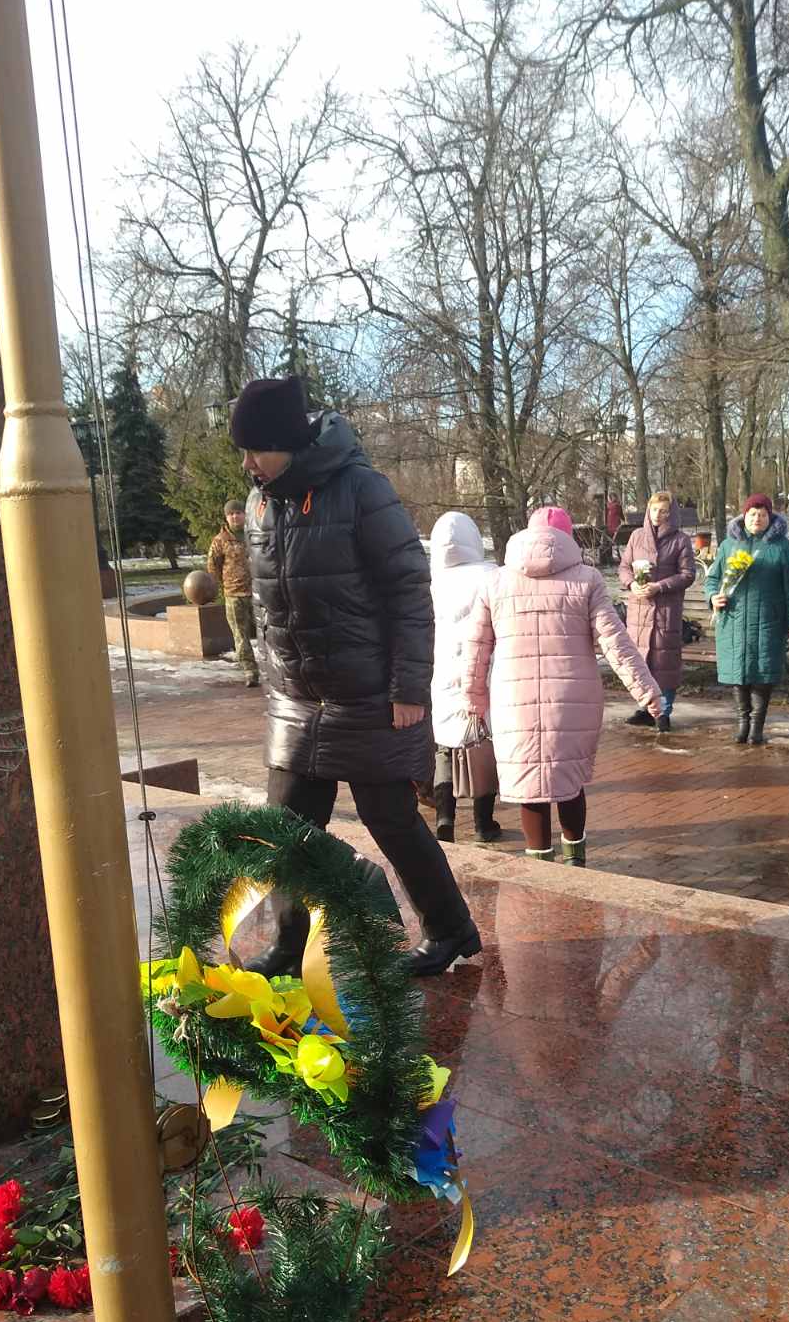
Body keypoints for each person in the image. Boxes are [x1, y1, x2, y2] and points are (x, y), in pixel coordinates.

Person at [230, 374, 480, 976]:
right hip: (297, 702)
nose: (247, 464)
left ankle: (449, 930)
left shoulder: (362, 490)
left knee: (391, 820)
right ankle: (290, 945)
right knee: (287, 829)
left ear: (288, 442)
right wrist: (275, 679)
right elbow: (268, 604)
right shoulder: (261, 502)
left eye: (255, 449)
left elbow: (409, 594)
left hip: (368, 695)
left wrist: (408, 689)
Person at [461, 505, 662, 866]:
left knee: (529, 784)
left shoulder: (495, 581)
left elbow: (476, 648)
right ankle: (575, 862)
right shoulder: (587, 580)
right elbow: (615, 642)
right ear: (567, 537)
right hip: (572, 699)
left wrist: (473, 697)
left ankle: (540, 870)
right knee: (569, 781)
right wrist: (646, 690)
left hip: (513, 700)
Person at [428, 511, 502, 842]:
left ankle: (445, 817)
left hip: (442, 673)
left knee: (444, 748)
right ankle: (484, 823)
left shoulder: (433, 583)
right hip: (483, 670)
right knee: (482, 742)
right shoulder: (491, 576)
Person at [705, 493, 789, 746]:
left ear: (770, 517)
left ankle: (757, 725)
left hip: (768, 620)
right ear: (744, 516)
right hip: (733, 621)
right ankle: (742, 722)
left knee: (761, 673)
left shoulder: (780, 547)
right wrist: (713, 596)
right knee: (738, 673)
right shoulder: (729, 545)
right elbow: (713, 578)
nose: (757, 518)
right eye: (752, 514)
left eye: (762, 514)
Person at [618, 490, 697, 731]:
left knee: (665, 664)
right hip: (640, 610)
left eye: (663, 511)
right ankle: (645, 708)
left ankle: (664, 712)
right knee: (640, 661)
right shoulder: (636, 537)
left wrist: (660, 586)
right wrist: (631, 584)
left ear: (670, 513)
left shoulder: (680, 540)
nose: (657, 515)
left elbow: (688, 574)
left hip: (665, 611)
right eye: (654, 509)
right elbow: (624, 567)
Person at [206, 498, 260, 688]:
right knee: (240, 636)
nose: (235, 516)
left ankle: (272, 669)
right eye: (231, 514)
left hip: (259, 593)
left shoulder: (254, 534)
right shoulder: (220, 540)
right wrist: (222, 586)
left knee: (266, 633)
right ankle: (250, 671)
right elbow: (213, 567)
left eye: (238, 513)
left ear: (244, 514)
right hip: (234, 595)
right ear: (226, 518)